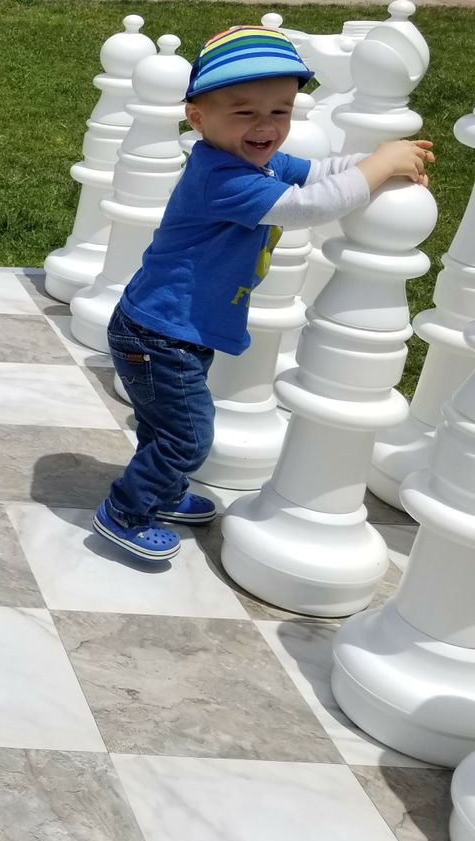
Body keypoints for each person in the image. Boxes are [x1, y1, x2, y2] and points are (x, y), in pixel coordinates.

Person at [94, 25, 434, 562]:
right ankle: (125, 511)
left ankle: (161, 490)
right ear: (197, 117)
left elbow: (319, 173)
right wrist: (379, 167)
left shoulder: (260, 161)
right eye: (244, 111)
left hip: (173, 328)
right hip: (157, 334)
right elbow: (308, 207)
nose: (265, 125)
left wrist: (380, 161)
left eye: (280, 111)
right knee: (188, 436)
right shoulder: (222, 177)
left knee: (168, 426)